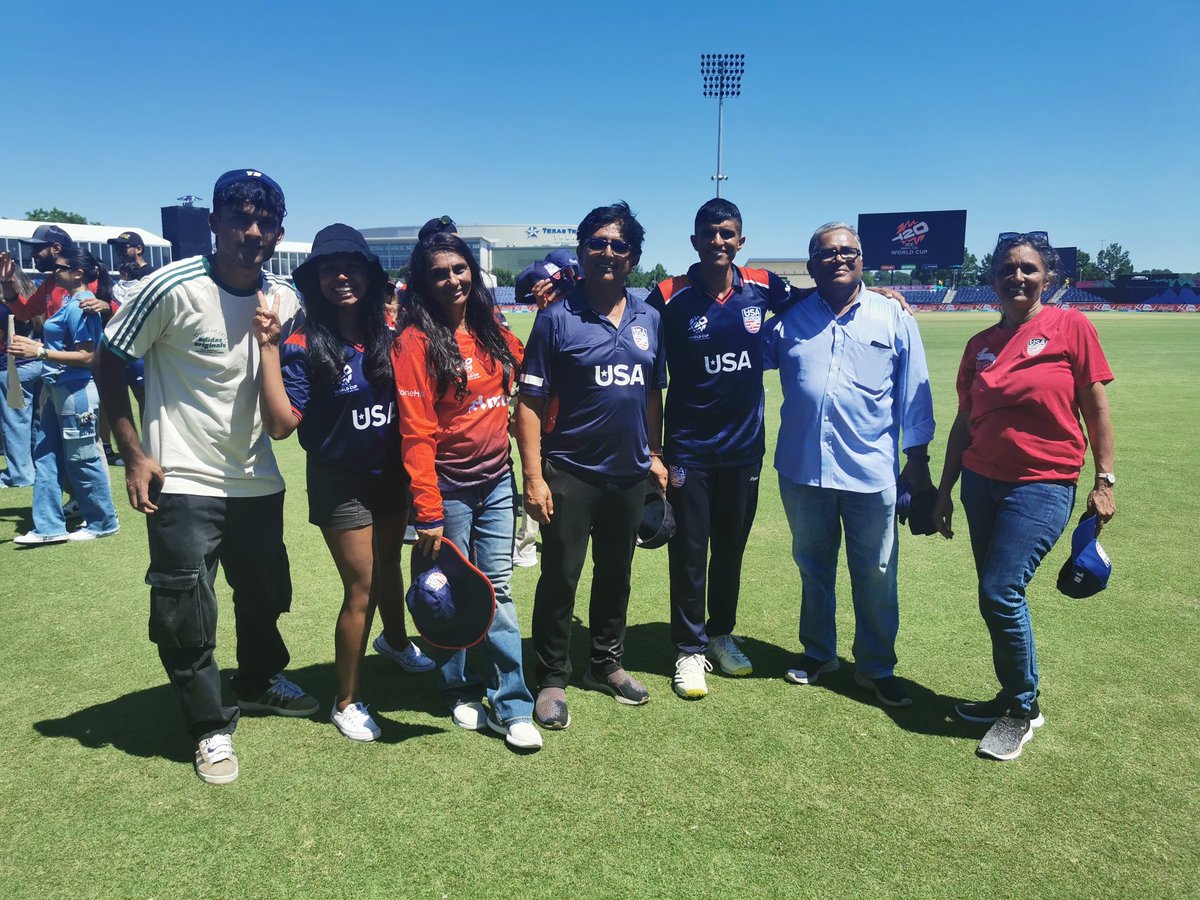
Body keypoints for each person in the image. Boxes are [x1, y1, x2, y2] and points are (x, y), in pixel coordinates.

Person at [98, 169, 319, 785]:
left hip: (256, 481)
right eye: (239, 217)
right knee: (185, 610)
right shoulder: (169, 286)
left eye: (265, 221)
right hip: (183, 479)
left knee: (266, 595)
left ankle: (256, 681)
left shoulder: (285, 299)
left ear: (278, 231)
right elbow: (108, 363)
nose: (252, 231)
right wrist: (135, 453)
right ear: (215, 223)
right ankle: (209, 726)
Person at [932, 232, 1115, 761]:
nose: (1017, 277)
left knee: (1000, 592)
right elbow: (965, 424)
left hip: (1043, 483)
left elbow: (1096, 408)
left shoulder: (1070, 326)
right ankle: (1009, 694)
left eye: (1028, 269)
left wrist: (1105, 479)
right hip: (981, 484)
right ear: (991, 278)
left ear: (1048, 278)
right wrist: (945, 490)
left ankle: (1023, 708)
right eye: (1007, 269)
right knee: (995, 597)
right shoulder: (979, 346)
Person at [255, 224, 433, 743]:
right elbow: (281, 425)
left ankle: (396, 643)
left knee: (390, 570)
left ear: (370, 275)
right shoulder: (302, 340)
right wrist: (267, 349)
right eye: (329, 269)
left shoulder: (390, 333)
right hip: (341, 481)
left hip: (391, 474)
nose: (341, 277)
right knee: (361, 587)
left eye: (352, 266)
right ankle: (347, 700)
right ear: (314, 280)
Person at [763, 221, 934, 709]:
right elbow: (741, 359)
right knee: (813, 568)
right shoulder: (787, 319)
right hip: (802, 469)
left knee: (877, 572)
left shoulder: (893, 317)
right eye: (827, 253)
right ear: (812, 263)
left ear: (862, 259)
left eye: (848, 251)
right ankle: (819, 653)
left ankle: (876, 667)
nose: (839, 258)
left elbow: (914, 395)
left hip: (870, 472)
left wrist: (916, 465)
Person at [515, 201, 668, 729]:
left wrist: (655, 454)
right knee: (560, 575)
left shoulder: (650, 316)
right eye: (597, 243)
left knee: (616, 574)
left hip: (628, 473)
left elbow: (651, 395)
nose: (607, 252)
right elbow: (530, 404)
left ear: (634, 256)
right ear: (581, 253)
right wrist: (534, 477)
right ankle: (552, 676)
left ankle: (606, 663)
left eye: (618, 245)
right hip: (571, 473)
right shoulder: (557, 318)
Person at [392, 232, 542, 751]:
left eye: (460, 268)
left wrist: (547, 314)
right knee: (450, 593)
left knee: (498, 589)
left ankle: (511, 703)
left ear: (472, 272)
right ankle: (457, 685)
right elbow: (416, 432)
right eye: (440, 273)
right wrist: (428, 511)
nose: (452, 279)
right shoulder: (413, 341)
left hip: (498, 479)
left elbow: (529, 370)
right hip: (447, 489)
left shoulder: (490, 326)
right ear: (423, 282)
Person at [645, 198, 795, 699]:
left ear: (741, 240)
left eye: (727, 234)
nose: (718, 242)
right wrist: (656, 452)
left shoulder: (764, 286)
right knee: (690, 552)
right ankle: (688, 649)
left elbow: (819, 300)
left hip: (745, 449)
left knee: (731, 548)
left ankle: (720, 633)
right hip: (689, 449)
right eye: (709, 234)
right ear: (693, 241)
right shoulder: (668, 294)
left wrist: (877, 292)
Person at [10, 246, 119, 544]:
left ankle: (103, 521)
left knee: (83, 460)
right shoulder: (72, 302)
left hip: (75, 391)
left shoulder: (84, 305)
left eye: (59, 268)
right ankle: (48, 526)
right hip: (59, 388)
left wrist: (40, 351)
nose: (53, 272)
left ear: (77, 273)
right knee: (44, 455)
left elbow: (88, 357)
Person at [0, 263, 43, 488]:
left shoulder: (4, 305)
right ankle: (36, 466)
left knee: (15, 422)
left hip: (13, 366)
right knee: (36, 419)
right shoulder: (32, 292)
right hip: (38, 361)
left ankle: (21, 474)